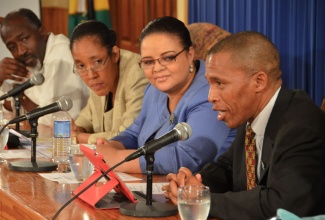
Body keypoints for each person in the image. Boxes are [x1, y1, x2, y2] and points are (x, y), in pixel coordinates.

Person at [163, 31, 325, 219]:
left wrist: (202, 201)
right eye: (210, 83)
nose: (210, 97)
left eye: (220, 83)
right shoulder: (251, 115)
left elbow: (282, 205)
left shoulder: (300, 125)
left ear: (259, 81)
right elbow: (227, 168)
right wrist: (194, 185)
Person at [96, 16, 236, 174]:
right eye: (148, 62)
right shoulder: (154, 89)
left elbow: (187, 158)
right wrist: (111, 146)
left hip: (203, 194)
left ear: (190, 55)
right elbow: (134, 133)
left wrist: (117, 159)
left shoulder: (211, 92)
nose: (157, 68)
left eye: (168, 58)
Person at [0, 8, 89, 125]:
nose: (20, 51)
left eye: (24, 39)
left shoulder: (60, 55)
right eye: (12, 48)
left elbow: (57, 119)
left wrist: (30, 107)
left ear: (42, 31)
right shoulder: (33, 61)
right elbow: (15, 111)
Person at [69, 20, 148, 144]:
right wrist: (78, 128)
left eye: (98, 62)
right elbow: (87, 116)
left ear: (115, 55)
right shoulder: (98, 77)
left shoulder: (137, 73)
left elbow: (127, 137)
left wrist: (80, 137)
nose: (90, 75)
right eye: (81, 65)